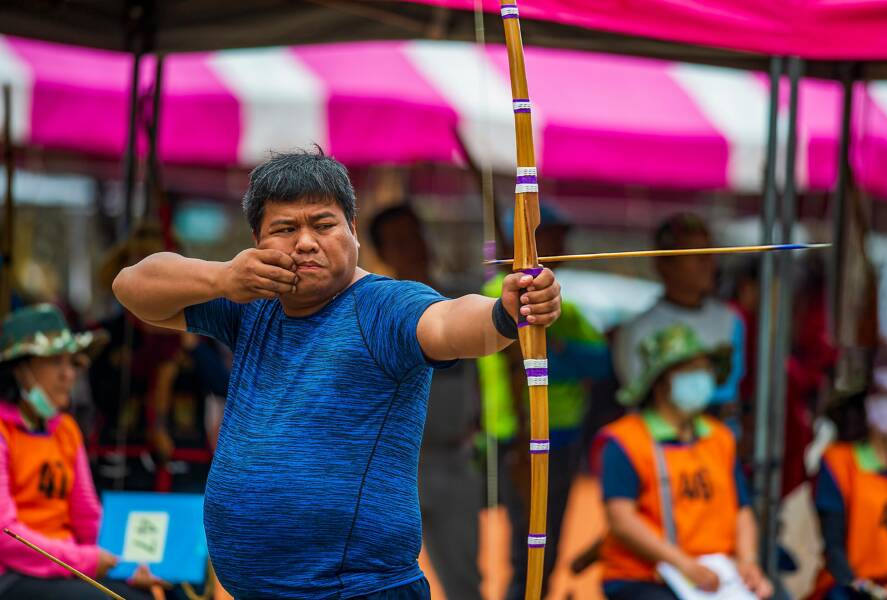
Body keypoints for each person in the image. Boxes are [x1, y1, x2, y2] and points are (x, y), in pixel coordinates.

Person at [112, 149, 562, 600]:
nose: (306, 242)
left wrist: (507, 313)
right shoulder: (251, 300)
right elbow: (131, 286)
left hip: (357, 591)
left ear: (352, 230)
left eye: (323, 225)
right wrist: (223, 277)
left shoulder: (383, 306)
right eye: (286, 229)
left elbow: (449, 324)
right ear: (257, 240)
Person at [479, 203, 611, 599]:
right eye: (551, 235)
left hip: (561, 435)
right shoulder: (496, 298)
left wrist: (559, 349)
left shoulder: (560, 304)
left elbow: (601, 361)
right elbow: (508, 366)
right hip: (522, 436)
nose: (563, 244)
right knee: (530, 546)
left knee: (545, 541)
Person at [596, 324, 774, 600]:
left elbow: (742, 509)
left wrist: (748, 561)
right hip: (643, 578)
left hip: (717, 576)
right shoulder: (624, 440)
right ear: (660, 381)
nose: (701, 378)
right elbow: (621, 519)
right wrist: (683, 564)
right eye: (690, 370)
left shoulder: (720, 437)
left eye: (705, 369)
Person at [0, 304, 159, 599]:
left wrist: (128, 566)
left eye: (71, 363)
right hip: (12, 574)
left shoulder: (66, 430)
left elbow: (88, 517)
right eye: (54, 362)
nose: (68, 375)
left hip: (64, 569)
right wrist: (85, 561)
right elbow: (4, 537)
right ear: (20, 370)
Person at [368, 204, 483, 600]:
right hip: (392, 465)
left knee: (465, 578)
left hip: (453, 459)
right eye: (400, 242)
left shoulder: (461, 299)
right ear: (383, 254)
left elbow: (507, 302)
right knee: (379, 578)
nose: (415, 247)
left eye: (417, 235)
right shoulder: (374, 309)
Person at [614, 213, 745, 429]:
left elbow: (732, 393)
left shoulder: (731, 321)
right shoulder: (637, 331)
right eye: (697, 255)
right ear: (663, 264)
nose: (708, 264)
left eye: (711, 253)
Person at [812, 363, 887, 600]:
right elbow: (834, 546)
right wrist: (866, 589)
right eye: (886, 396)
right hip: (852, 589)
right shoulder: (838, 463)